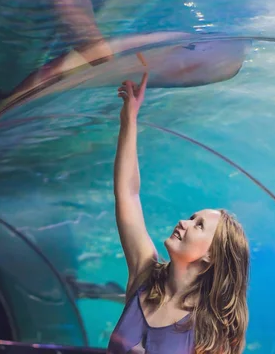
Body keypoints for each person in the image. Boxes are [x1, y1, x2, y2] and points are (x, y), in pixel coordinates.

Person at [107, 73, 250, 354]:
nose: (183, 223)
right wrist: (130, 118)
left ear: (212, 255)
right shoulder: (144, 275)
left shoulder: (214, 328)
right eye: (191, 217)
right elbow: (128, 193)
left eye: (198, 226)